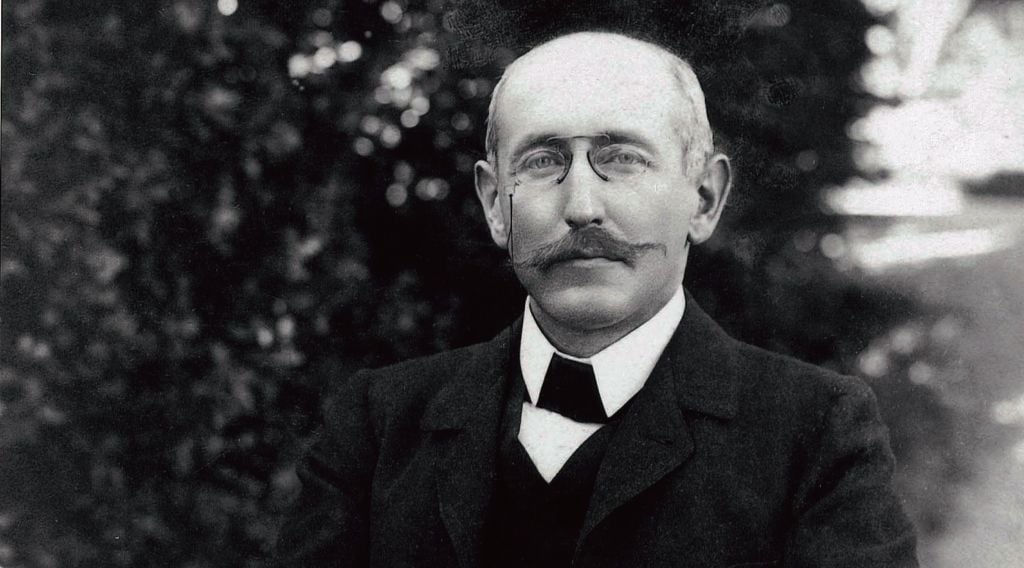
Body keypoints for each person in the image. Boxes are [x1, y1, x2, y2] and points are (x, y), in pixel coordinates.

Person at [276, 31, 918, 567]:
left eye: (623, 159)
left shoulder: (814, 435)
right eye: (541, 162)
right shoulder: (378, 426)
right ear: (495, 205)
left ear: (703, 198)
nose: (582, 207)